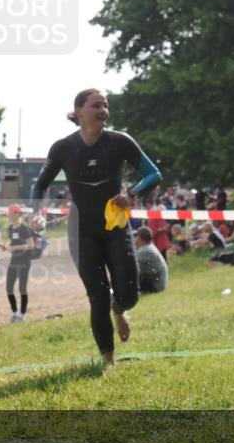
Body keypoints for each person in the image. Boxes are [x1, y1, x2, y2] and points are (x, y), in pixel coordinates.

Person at [33, 88, 162, 366]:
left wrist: (132, 194)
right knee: (97, 296)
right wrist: (37, 213)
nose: (103, 110)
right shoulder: (63, 148)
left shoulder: (120, 142)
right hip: (82, 231)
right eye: (96, 105)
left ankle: (121, 308)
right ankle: (108, 360)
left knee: (129, 294)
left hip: (115, 227)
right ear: (79, 111)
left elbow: (154, 173)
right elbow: (40, 185)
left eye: (105, 105)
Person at [5, 206, 35, 322]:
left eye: (10, 213)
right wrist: (7, 246)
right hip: (14, 260)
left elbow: (31, 245)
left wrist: (16, 247)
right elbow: (12, 242)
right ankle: (14, 312)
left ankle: (22, 315)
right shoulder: (10, 229)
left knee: (22, 288)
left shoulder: (24, 228)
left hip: (24, 261)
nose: (8, 215)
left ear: (17, 214)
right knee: (9, 287)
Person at [134, 227, 168, 293]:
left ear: (139, 238)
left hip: (156, 286)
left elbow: (129, 263)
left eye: (136, 236)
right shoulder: (149, 247)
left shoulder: (145, 251)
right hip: (158, 283)